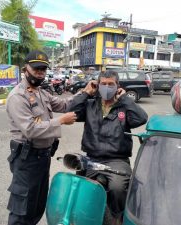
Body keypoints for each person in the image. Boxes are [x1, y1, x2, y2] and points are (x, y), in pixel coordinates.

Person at [6, 50, 77, 225]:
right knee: (23, 209)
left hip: (43, 157)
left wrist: (86, 92)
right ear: (25, 69)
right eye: (36, 69)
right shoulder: (18, 96)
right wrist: (60, 121)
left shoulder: (40, 92)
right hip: (27, 158)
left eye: (43, 70)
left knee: (37, 206)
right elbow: (30, 129)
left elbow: (64, 103)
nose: (40, 73)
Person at [68, 70, 148, 224]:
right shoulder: (90, 105)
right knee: (81, 189)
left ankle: (117, 217)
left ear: (118, 86)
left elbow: (142, 118)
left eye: (110, 84)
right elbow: (71, 111)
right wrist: (85, 93)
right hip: (91, 158)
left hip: (117, 160)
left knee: (118, 188)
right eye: (103, 84)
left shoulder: (124, 106)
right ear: (97, 85)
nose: (106, 87)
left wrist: (125, 99)